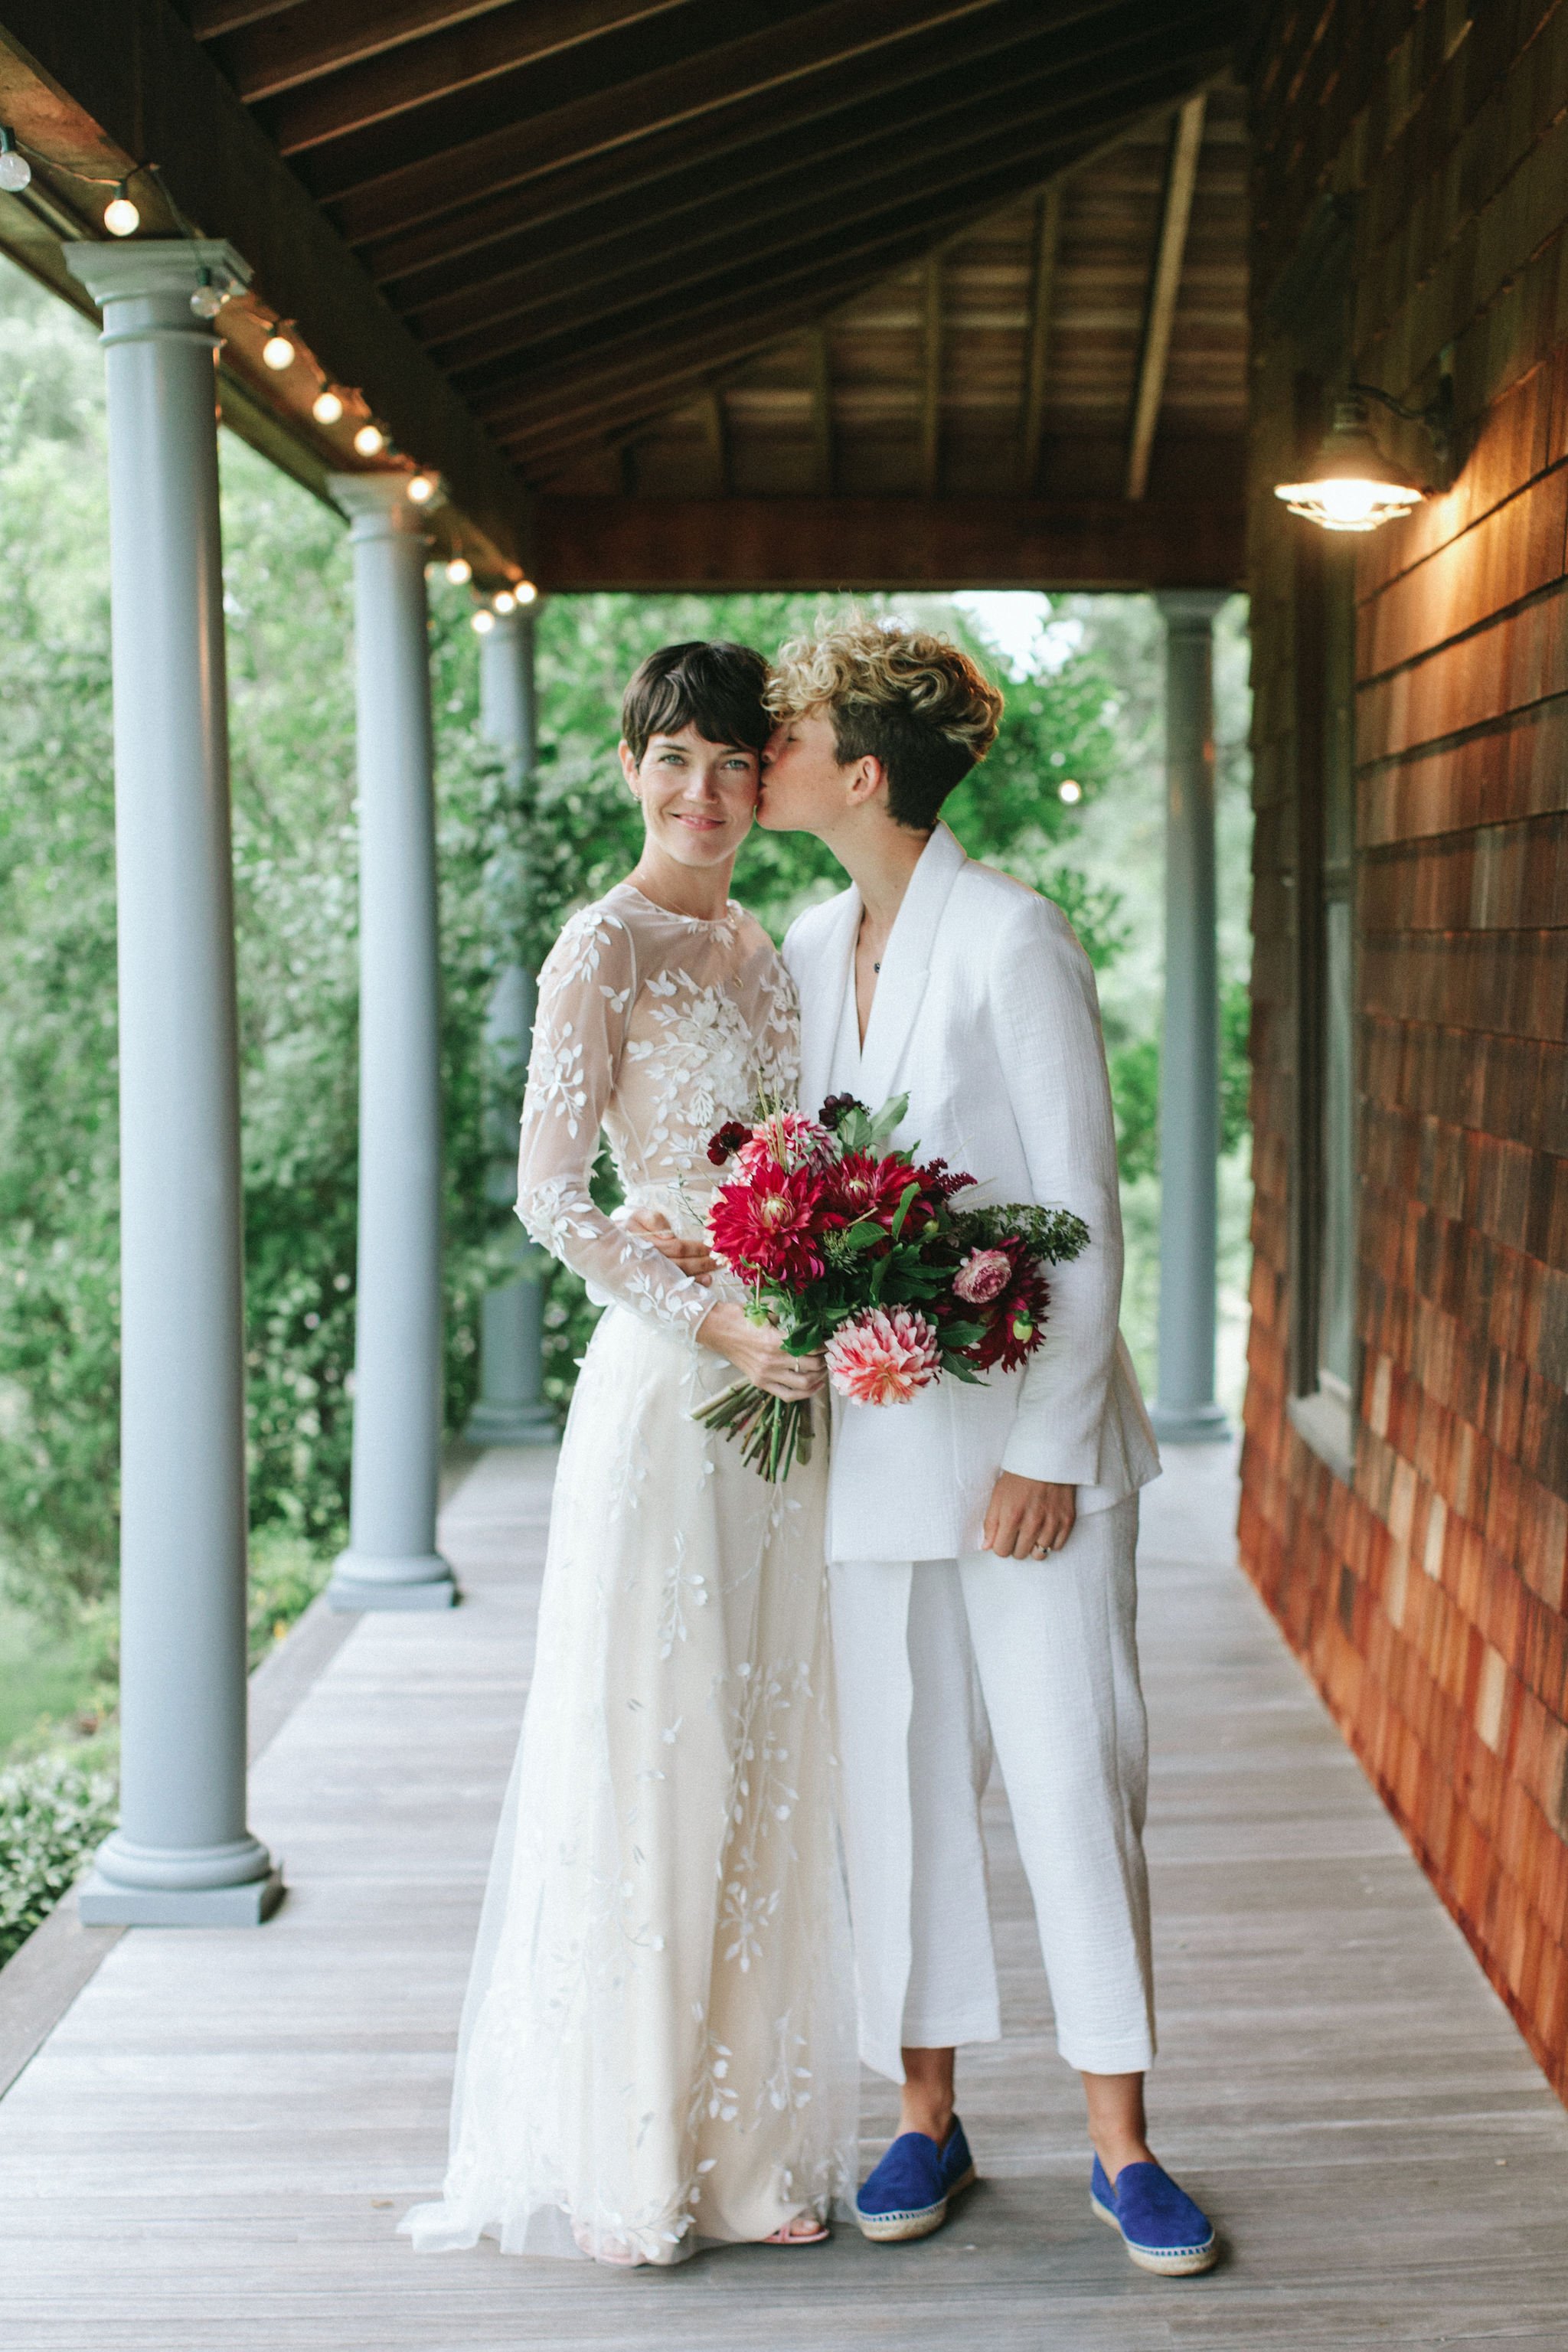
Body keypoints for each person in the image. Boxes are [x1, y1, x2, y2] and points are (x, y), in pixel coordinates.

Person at [641, 614, 1217, 2279]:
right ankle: (927, 2115)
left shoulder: (1013, 940)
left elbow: (1086, 1219)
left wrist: (1044, 1444)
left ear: (862, 772)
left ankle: (1122, 2144)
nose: (768, 758)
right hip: (873, 1455)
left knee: (1066, 1775)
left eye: (794, 737)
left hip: (1031, 1461)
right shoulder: (807, 946)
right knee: (892, 1791)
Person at [401, 642, 855, 2270]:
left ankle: (740, 2160)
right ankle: (630, 2163)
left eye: (735, 763)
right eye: (676, 758)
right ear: (630, 767)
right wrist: (716, 1324)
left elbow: (795, 1160)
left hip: (780, 1400)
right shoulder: (604, 945)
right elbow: (551, 1197)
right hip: (673, 1390)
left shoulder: (765, 952)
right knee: (659, 1748)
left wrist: (806, 1304)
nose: (707, 792)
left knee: (760, 1744)